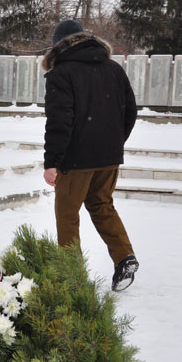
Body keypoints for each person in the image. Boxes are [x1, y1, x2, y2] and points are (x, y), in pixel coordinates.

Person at [41, 19, 139, 291]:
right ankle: (124, 256)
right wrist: (113, 143)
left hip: (75, 161)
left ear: (58, 45)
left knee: (67, 214)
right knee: (102, 205)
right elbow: (130, 111)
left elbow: (59, 122)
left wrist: (52, 162)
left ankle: (71, 277)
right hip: (108, 158)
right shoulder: (113, 69)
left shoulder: (62, 73)